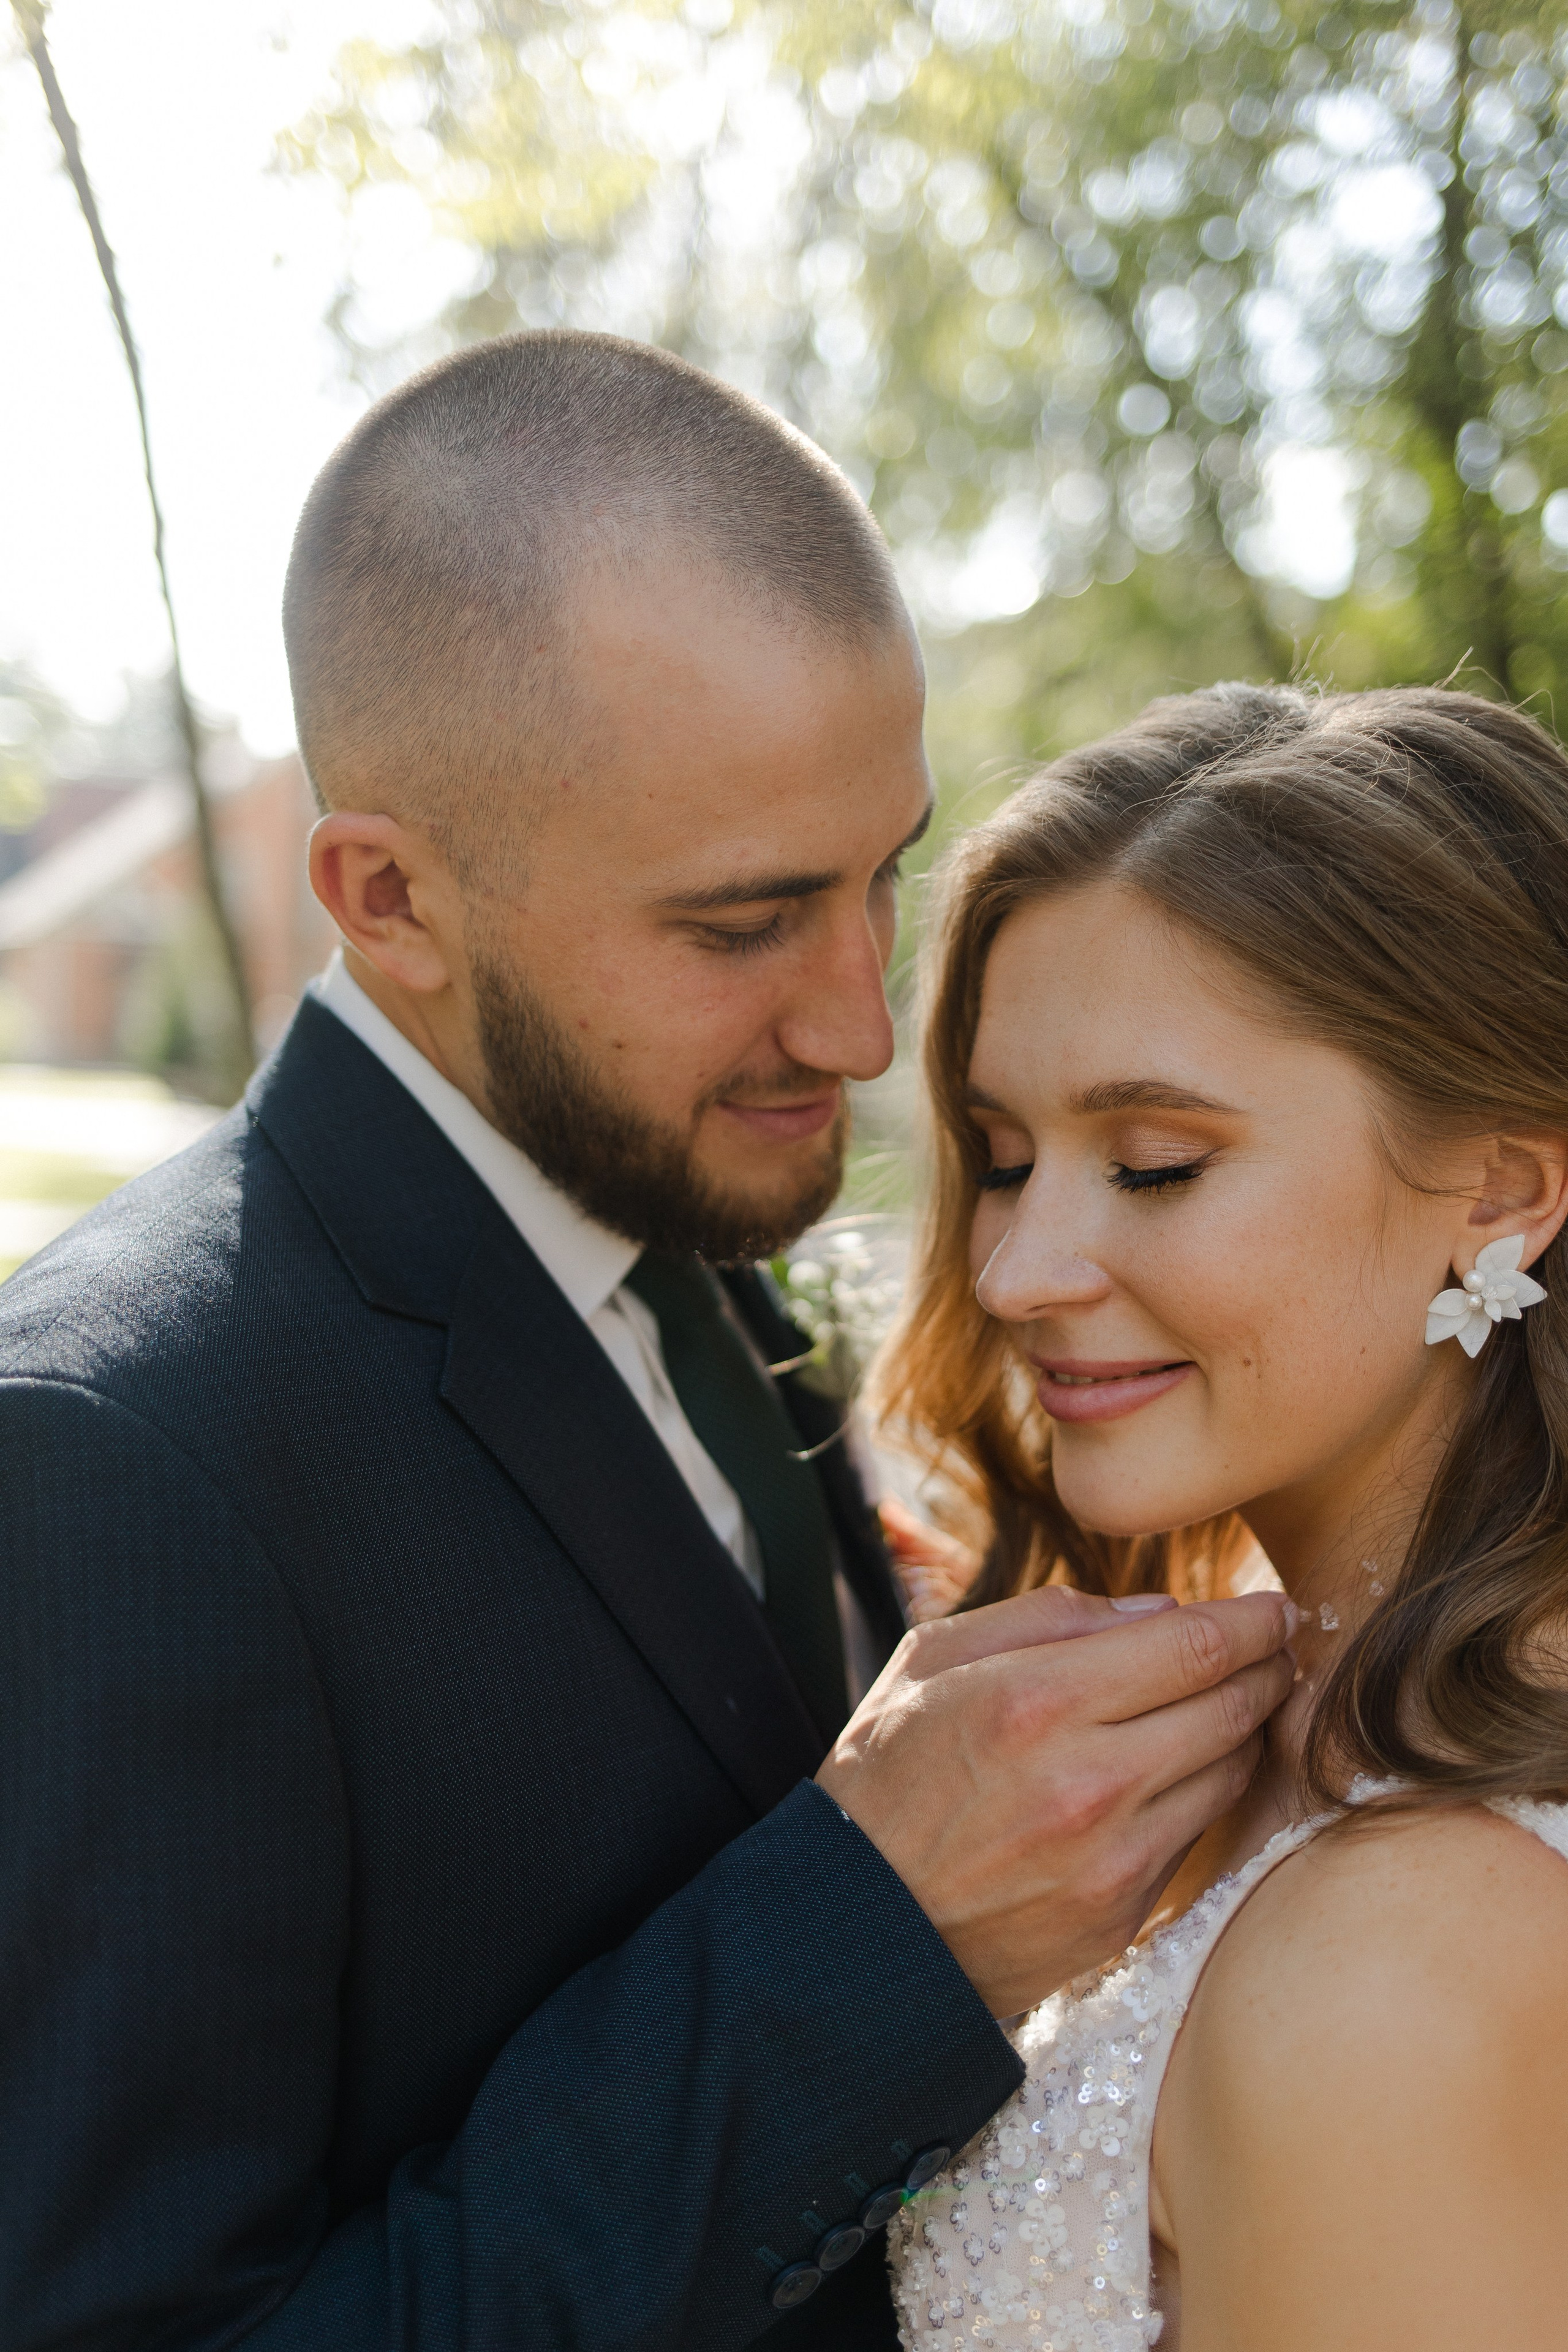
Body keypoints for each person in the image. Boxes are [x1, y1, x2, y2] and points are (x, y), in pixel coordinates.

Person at [0, 334, 1294, 2351]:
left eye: (881, 878)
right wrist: (872, 1943)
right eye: (742, 924)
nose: (861, 1029)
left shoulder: (675, 1225)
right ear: (391, 896)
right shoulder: (110, 1462)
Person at [877, 680, 1568, 2352]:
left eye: (1158, 1162)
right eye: (1000, 1150)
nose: (1014, 1271)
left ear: (1501, 1193)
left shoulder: (1410, 1958)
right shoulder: (1250, 1719)